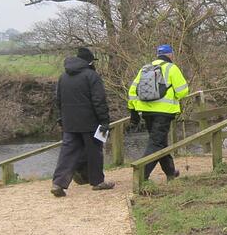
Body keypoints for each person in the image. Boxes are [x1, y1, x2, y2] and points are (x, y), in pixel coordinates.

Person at [51, 47, 115, 197]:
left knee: (67, 153)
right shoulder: (92, 76)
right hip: (90, 122)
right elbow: (99, 101)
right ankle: (98, 181)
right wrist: (105, 121)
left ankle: (58, 183)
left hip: (70, 123)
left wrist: (62, 119)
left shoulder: (63, 77)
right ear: (90, 61)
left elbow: (58, 101)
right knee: (94, 152)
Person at [127, 44, 189, 181]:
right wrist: (174, 96)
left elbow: (132, 91)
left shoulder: (145, 68)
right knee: (156, 143)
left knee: (160, 142)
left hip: (146, 111)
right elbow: (183, 90)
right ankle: (141, 175)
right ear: (171, 55)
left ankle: (171, 172)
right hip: (164, 112)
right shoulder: (171, 68)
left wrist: (134, 111)